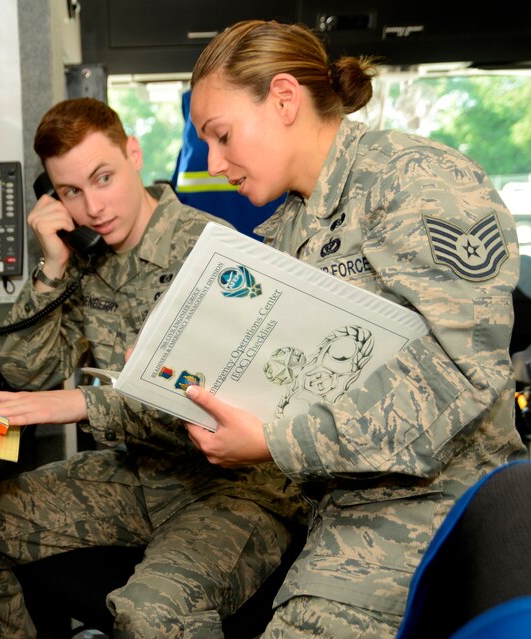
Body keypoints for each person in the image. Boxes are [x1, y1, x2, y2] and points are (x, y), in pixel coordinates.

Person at [184, 19, 529, 639]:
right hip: (339, 499)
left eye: (222, 135)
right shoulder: (287, 228)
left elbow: (455, 376)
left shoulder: (417, 183)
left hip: (430, 506)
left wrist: (274, 442)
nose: (213, 163)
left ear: (285, 99)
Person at [0, 97, 308, 638]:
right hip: (140, 474)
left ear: (134, 155)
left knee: (150, 616)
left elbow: (212, 405)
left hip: (233, 489)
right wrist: (52, 264)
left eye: (103, 178)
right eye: (71, 191)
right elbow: (28, 373)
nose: (93, 207)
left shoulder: (214, 252)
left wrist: (79, 403)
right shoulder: (86, 260)